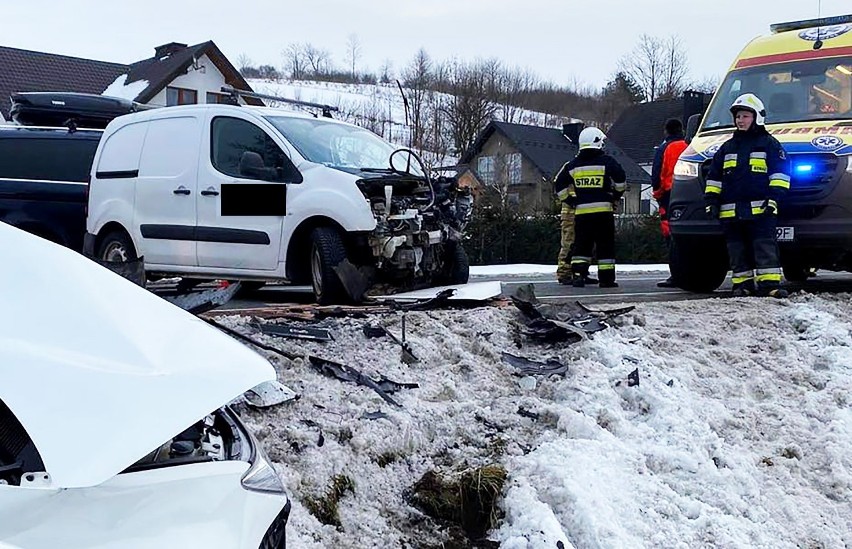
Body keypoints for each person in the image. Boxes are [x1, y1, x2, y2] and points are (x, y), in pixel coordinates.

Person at [704, 93, 791, 298]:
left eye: (745, 116)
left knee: (764, 246)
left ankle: (769, 286)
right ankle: (742, 286)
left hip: (762, 209)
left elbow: (780, 174)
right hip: (730, 212)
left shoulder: (769, 144)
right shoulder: (727, 147)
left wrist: (774, 199)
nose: (740, 121)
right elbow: (714, 177)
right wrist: (711, 201)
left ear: (756, 117)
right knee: (737, 250)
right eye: (738, 117)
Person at [554, 127, 627, 288]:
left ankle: (578, 275)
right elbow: (621, 180)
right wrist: (615, 196)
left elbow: (559, 185)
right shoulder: (606, 161)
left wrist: (571, 201)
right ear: (597, 141)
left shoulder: (573, 165)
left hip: (581, 213)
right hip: (603, 213)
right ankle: (606, 280)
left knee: (581, 244)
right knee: (605, 246)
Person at [651, 118, 689, 288]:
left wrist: (658, 195)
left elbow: (657, 175)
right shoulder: (690, 146)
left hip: (669, 197)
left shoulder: (664, 148)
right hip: (689, 195)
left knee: (671, 237)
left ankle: (677, 275)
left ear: (666, 131)